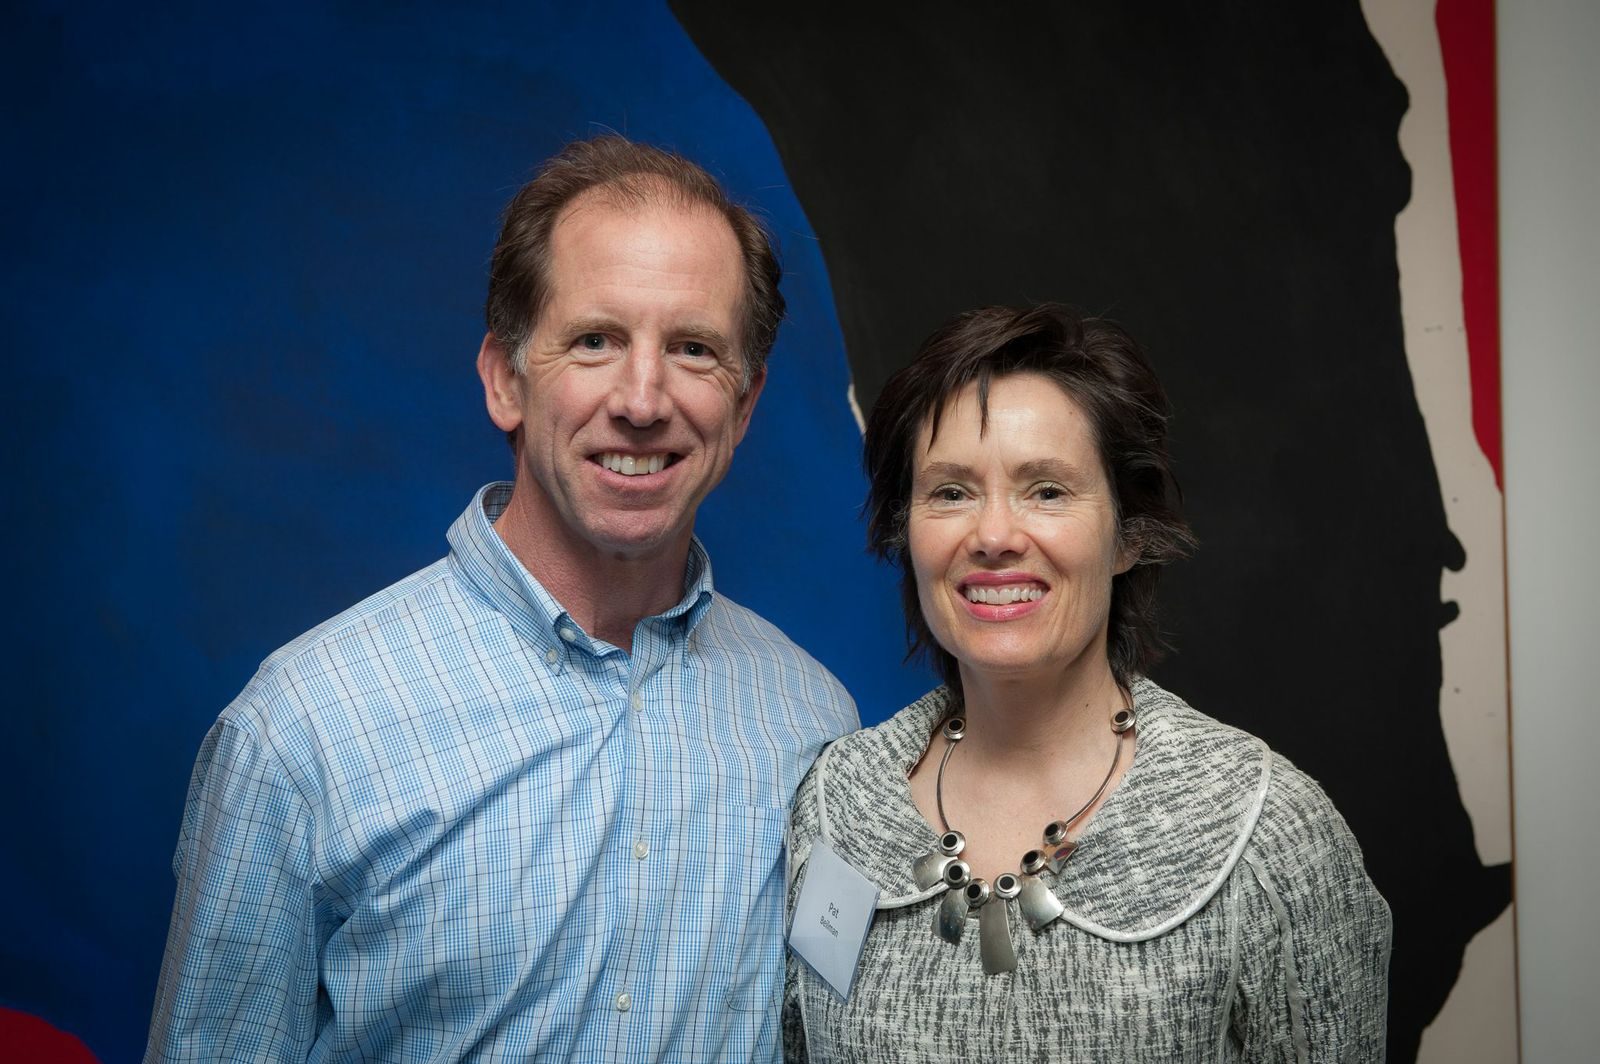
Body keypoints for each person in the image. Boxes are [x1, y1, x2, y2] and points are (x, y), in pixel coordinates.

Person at [145, 135, 857, 1063]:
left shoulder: (814, 724)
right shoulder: (304, 730)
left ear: (746, 403)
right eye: (595, 341)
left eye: (693, 349)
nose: (643, 400)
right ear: (505, 379)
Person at [784, 304, 1390, 1061]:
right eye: (951, 492)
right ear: (904, 531)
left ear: (1128, 535)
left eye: (1047, 490)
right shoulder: (838, 803)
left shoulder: (1268, 835)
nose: (994, 536)